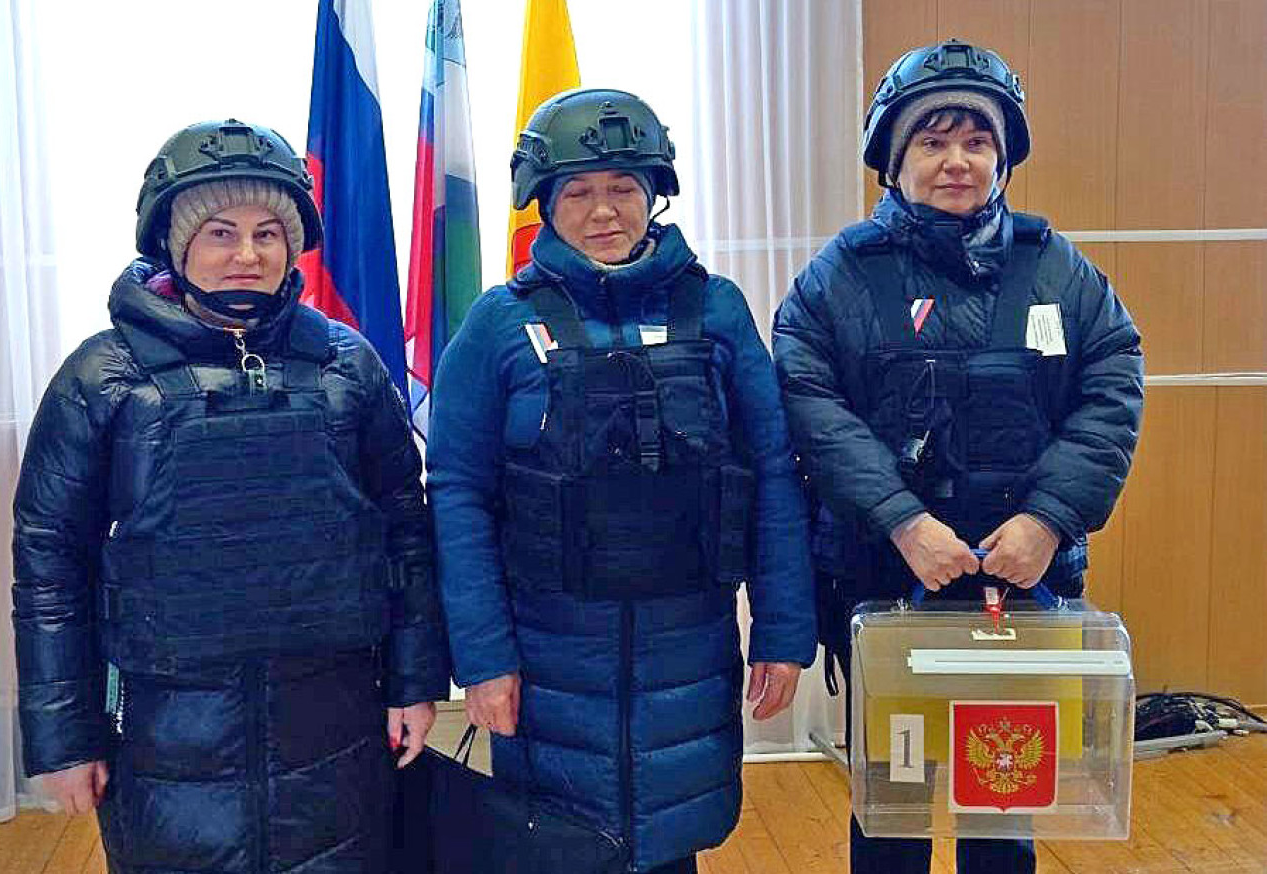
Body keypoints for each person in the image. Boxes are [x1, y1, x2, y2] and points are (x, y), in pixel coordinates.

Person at [11, 119, 449, 873]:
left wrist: (415, 685)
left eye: (267, 233)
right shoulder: (103, 377)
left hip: (333, 726)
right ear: (176, 245)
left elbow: (405, 534)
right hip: (165, 738)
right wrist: (63, 735)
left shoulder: (348, 366)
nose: (247, 254)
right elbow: (51, 565)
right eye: (220, 232)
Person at [773, 40, 1144, 874]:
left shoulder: (1057, 271)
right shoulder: (837, 281)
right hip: (887, 587)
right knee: (894, 803)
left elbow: (1112, 386)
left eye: (976, 141)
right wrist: (903, 523)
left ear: (1003, 156)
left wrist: (1047, 521)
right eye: (932, 142)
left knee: (1001, 797)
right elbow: (809, 406)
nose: (956, 162)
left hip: (1019, 589)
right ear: (894, 159)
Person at [427, 88, 817, 873]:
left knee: (674, 847)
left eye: (622, 188)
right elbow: (458, 494)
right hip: (547, 661)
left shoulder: (716, 311)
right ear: (542, 202)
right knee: (558, 850)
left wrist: (783, 631)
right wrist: (482, 659)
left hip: (691, 649)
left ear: (653, 193)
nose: (603, 211)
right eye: (577, 191)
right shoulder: (499, 323)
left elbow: (774, 474)